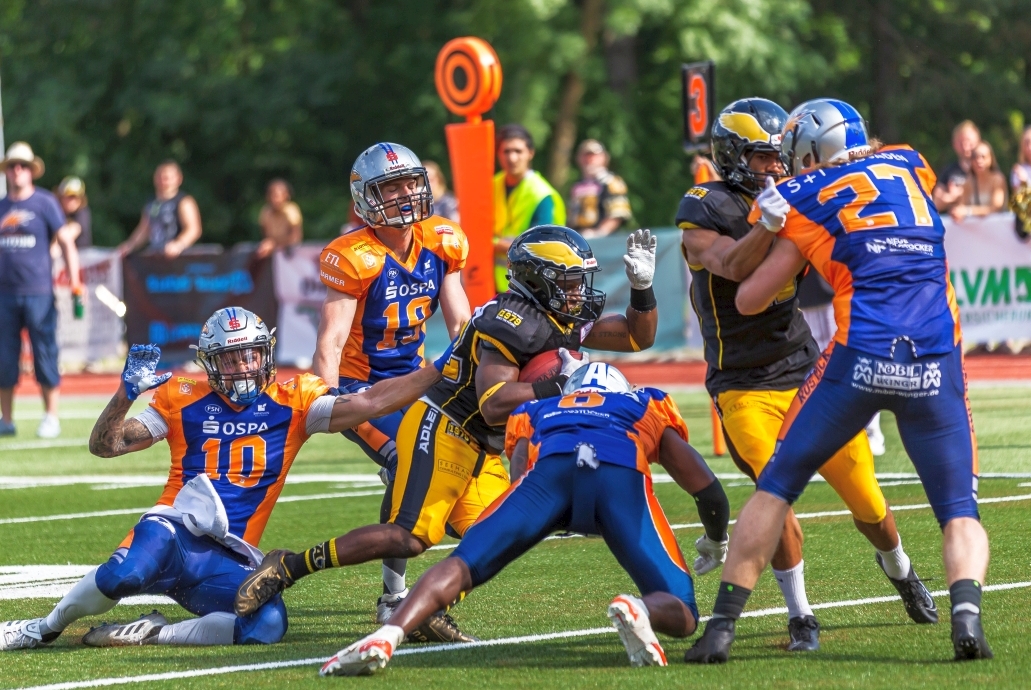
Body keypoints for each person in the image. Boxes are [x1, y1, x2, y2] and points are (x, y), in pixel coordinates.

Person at [234, 225, 661, 643]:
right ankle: (289, 566)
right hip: (444, 425)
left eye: (579, 282)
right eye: (568, 282)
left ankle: (424, 611)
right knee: (409, 536)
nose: (577, 292)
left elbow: (636, 336)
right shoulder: (510, 321)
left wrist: (642, 288)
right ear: (537, 279)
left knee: (501, 533)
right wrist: (558, 386)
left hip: (483, 443)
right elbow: (494, 399)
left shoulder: (555, 316)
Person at [685, 98, 992, 664]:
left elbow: (749, 296)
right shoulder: (910, 162)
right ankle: (966, 616)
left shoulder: (802, 196)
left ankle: (722, 627)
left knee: (779, 487)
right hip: (934, 356)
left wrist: (797, 238)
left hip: (858, 357)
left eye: (783, 156)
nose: (777, 167)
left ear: (803, 153)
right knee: (958, 508)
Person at [0, 306, 451, 651]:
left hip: (229, 554)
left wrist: (438, 370)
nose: (244, 367)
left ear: (267, 352)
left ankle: (155, 632)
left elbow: (370, 403)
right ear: (210, 362)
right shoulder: (183, 397)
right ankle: (40, 629)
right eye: (231, 359)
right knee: (124, 576)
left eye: (252, 354)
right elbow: (106, 445)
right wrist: (123, 396)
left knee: (267, 625)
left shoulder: (295, 399)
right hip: (172, 532)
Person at [319, 362, 730, 676]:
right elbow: (704, 486)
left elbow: (519, 476)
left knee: (461, 564)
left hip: (547, 476)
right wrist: (715, 538)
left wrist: (546, 517)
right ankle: (639, 608)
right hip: (618, 474)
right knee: (684, 611)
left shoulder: (538, 408)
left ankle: (389, 634)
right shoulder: (643, 402)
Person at [312, 142, 471, 639]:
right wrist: (328, 399)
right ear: (365, 198)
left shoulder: (441, 241)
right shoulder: (352, 256)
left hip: (419, 380)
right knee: (409, 463)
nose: (405, 195)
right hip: (365, 389)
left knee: (461, 466)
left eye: (410, 183)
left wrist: (476, 378)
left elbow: (461, 321)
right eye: (391, 187)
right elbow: (332, 339)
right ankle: (394, 599)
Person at [0, 142, 82, 439]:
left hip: (39, 293)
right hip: (4, 295)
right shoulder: (1, 207)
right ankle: (6, 419)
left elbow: (66, 243)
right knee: (4, 358)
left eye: (22, 165)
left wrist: (75, 283)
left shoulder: (45, 203)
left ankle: (50, 416)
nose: (16, 170)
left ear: (31, 170)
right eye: (11, 165)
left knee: (45, 353)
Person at [493, 124, 566, 291]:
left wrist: (491, 245)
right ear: (498, 154)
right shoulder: (491, 186)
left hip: (532, 285)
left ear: (530, 153)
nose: (512, 158)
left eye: (518, 151)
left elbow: (535, 245)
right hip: (492, 284)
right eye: (506, 151)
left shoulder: (542, 194)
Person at [117, 161, 202, 259]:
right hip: (155, 257)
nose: (163, 181)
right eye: (159, 177)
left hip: (177, 259)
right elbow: (144, 229)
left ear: (178, 179)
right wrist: (130, 245)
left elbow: (193, 229)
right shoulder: (152, 203)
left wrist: (179, 244)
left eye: (167, 178)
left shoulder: (184, 202)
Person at [567, 139, 632, 238]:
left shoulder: (611, 182)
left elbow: (618, 215)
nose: (589, 160)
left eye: (593, 155)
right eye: (585, 155)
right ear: (578, 158)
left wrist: (598, 233)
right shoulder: (576, 185)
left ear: (604, 158)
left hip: (604, 242)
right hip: (578, 240)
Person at [951, 140, 1007, 220]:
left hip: (997, 228)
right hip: (974, 231)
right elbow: (961, 207)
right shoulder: (968, 183)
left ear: (991, 159)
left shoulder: (997, 180)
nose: (979, 161)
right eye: (975, 157)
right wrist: (956, 212)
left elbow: (996, 207)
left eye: (983, 157)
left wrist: (968, 211)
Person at [933, 120, 981, 212]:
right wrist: (951, 198)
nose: (965, 146)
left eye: (969, 141)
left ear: (978, 141)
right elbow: (936, 203)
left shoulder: (987, 169)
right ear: (954, 145)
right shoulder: (949, 171)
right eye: (961, 142)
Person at [256, 179, 302, 259]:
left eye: (277, 196)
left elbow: (295, 238)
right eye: (272, 196)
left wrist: (274, 244)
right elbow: (265, 235)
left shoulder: (291, 211)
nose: (275, 200)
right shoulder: (266, 212)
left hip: (289, 255)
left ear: (286, 196)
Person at [56, 176, 92, 248]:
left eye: (76, 197)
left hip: (81, 253)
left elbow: (71, 233)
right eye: (69, 196)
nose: (73, 201)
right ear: (61, 197)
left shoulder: (82, 212)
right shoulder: (55, 211)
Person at [1010, 125, 1031, 193]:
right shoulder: (1018, 170)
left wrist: (1025, 181)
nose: (1029, 147)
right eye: (1026, 143)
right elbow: (1018, 198)